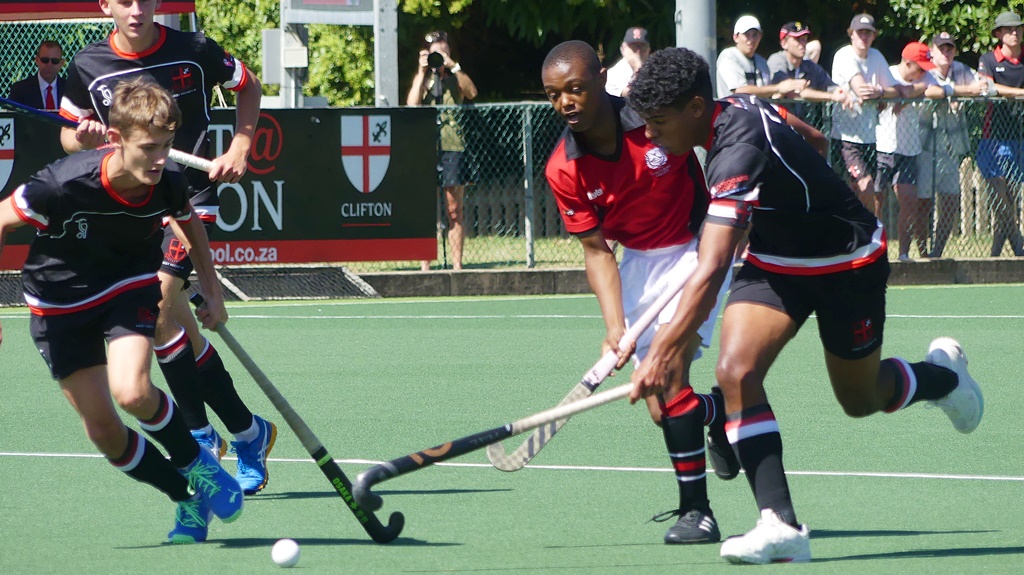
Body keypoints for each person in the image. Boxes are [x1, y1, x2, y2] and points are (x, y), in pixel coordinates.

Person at [627, 47, 984, 564]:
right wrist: (789, 205)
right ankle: (781, 526)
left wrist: (661, 351)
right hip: (776, 262)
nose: (650, 135)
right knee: (735, 372)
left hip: (848, 264)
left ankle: (943, 377)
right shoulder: (739, 108)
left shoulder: (735, 147)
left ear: (697, 108)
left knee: (861, 399)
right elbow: (812, 139)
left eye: (658, 122)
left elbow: (709, 270)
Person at [0, 78, 245, 543]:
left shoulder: (167, 182)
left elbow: (190, 225)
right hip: (57, 302)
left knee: (132, 392)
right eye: (150, 148)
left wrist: (212, 290)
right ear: (116, 140)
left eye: (168, 147)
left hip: (126, 286)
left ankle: (200, 466)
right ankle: (186, 497)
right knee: (104, 432)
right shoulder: (62, 184)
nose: (161, 159)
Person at [59, 0, 276, 496]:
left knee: (156, 303)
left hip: (191, 197)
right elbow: (69, 136)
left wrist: (239, 146)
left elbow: (249, 86)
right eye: (124, 0)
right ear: (105, 5)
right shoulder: (88, 66)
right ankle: (248, 431)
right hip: (133, 206)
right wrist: (83, 137)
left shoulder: (194, 49)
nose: (135, 9)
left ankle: (200, 439)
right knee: (173, 324)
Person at [541, 40, 738, 545]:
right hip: (639, 268)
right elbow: (596, 250)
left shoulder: (654, 117)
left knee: (669, 374)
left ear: (602, 79)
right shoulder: (564, 168)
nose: (566, 102)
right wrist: (614, 328)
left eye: (576, 89)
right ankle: (721, 412)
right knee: (661, 405)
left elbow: (718, 138)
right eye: (554, 94)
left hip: (699, 250)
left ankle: (698, 512)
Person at [409, 30, 478, 271]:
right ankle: (425, 266)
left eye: (443, 49)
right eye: (435, 50)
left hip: (453, 147)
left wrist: (454, 67)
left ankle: (457, 265)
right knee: (427, 210)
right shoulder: (425, 78)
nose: (440, 54)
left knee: (454, 209)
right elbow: (411, 104)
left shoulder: (454, 77)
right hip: (428, 147)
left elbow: (472, 93)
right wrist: (422, 71)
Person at [919, 32, 989, 258]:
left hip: (951, 147)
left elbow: (982, 84)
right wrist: (962, 91)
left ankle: (937, 252)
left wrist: (978, 88)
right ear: (932, 50)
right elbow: (931, 92)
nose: (946, 52)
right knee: (923, 204)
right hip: (924, 146)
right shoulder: (925, 70)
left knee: (950, 202)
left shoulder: (960, 69)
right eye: (941, 48)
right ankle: (921, 253)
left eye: (950, 48)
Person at [875, 42, 946, 261]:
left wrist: (910, 93)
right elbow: (884, 96)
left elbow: (939, 91)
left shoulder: (923, 78)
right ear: (907, 63)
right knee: (876, 200)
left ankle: (903, 254)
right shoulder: (888, 73)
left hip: (909, 150)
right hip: (881, 147)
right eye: (920, 67)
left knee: (909, 203)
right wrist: (901, 93)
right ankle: (875, 251)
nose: (924, 72)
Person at [831, 13, 903, 215]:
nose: (864, 37)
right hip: (846, 137)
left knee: (868, 191)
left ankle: (861, 233)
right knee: (865, 186)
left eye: (868, 33)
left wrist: (880, 92)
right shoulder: (844, 55)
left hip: (871, 137)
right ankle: (869, 229)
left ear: (874, 35)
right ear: (851, 34)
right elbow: (860, 88)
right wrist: (879, 92)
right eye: (860, 32)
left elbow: (894, 91)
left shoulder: (876, 56)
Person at [976, 11, 1024, 257]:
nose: (1014, 32)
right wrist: (1019, 93)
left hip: (1019, 138)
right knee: (999, 196)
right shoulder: (988, 59)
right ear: (998, 34)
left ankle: (996, 254)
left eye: (1017, 28)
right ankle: (1019, 245)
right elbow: (987, 88)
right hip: (992, 138)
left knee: (1011, 200)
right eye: (1008, 29)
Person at [766, 22, 854, 120]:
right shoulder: (777, 61)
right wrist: (831, 96)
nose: (802, 44)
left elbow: (830, 86)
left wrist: (842, 92)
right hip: (779, 123)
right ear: (784, 44)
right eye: (797, 40)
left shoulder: (809, 65)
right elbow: (794, 93)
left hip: (804, 126)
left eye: (804, 39)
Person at [716, 15, 808, 100]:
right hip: (732, 114)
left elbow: (767, 94)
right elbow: (740, 91)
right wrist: (778, 88)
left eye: (755, 35)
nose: (751, 40)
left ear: (761, 36)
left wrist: (790, 88)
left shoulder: (762, 62)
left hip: (757, 114)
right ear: (736, 37)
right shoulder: (729, 56)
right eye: (746, 35)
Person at [7, 40, 66, 110]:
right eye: (45, 60)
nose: (49, 65)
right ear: (37, 60)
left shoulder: (71, 90)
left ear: (61, 63)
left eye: (55, 61)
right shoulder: (20, 90)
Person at [604, 26, 650, 97]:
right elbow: (634, 94)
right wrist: (638, 68)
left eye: (642, 46)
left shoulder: (655, 70)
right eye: (633, 46)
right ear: (623, 48)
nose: (638, 51)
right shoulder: (613, 74)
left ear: (649, 49)